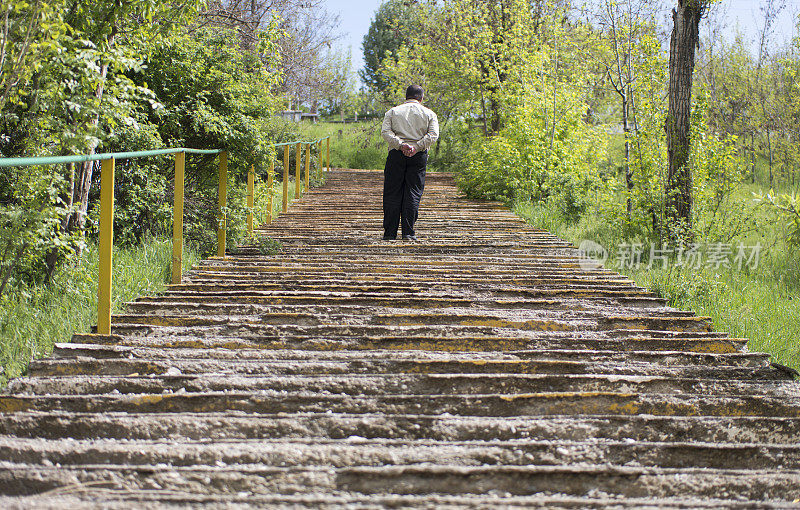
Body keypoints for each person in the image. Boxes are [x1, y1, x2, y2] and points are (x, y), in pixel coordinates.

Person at [380, 85, 439, 241]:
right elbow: (433, 135)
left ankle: (390, 233)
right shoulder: (429, 113)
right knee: (413, 192)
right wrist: (417, 146)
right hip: (418, 156)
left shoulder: (393, 112)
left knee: (392, 193)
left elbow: (385, 132)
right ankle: (408, 232)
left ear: (406, 97)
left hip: (396, 155)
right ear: (421, 98)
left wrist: (401, 144)